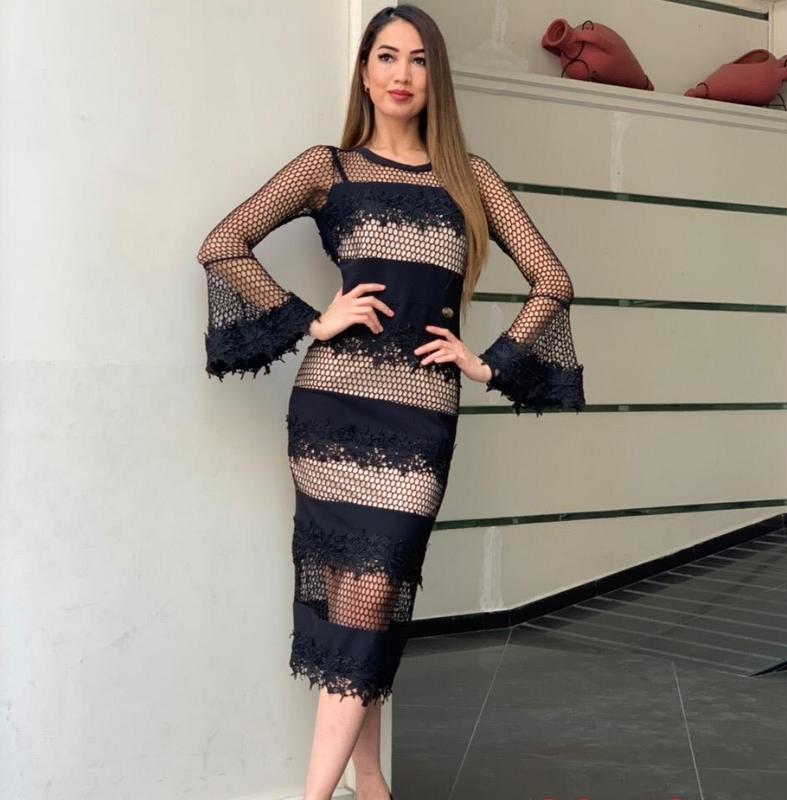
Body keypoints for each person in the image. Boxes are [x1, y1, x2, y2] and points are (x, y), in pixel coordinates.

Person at [196, 5, 585, 799]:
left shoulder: (469, 178)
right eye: (386, 56)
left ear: (434, 77)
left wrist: (489, 364)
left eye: (417, 59)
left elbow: (553, 280)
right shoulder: (327, 169)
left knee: (370, 597)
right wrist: (313, 320)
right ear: (365, 72)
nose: (402, 73)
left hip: (419, 421)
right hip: (330, 412)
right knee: (355, 605)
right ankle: (368, 782)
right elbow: (221, 244)